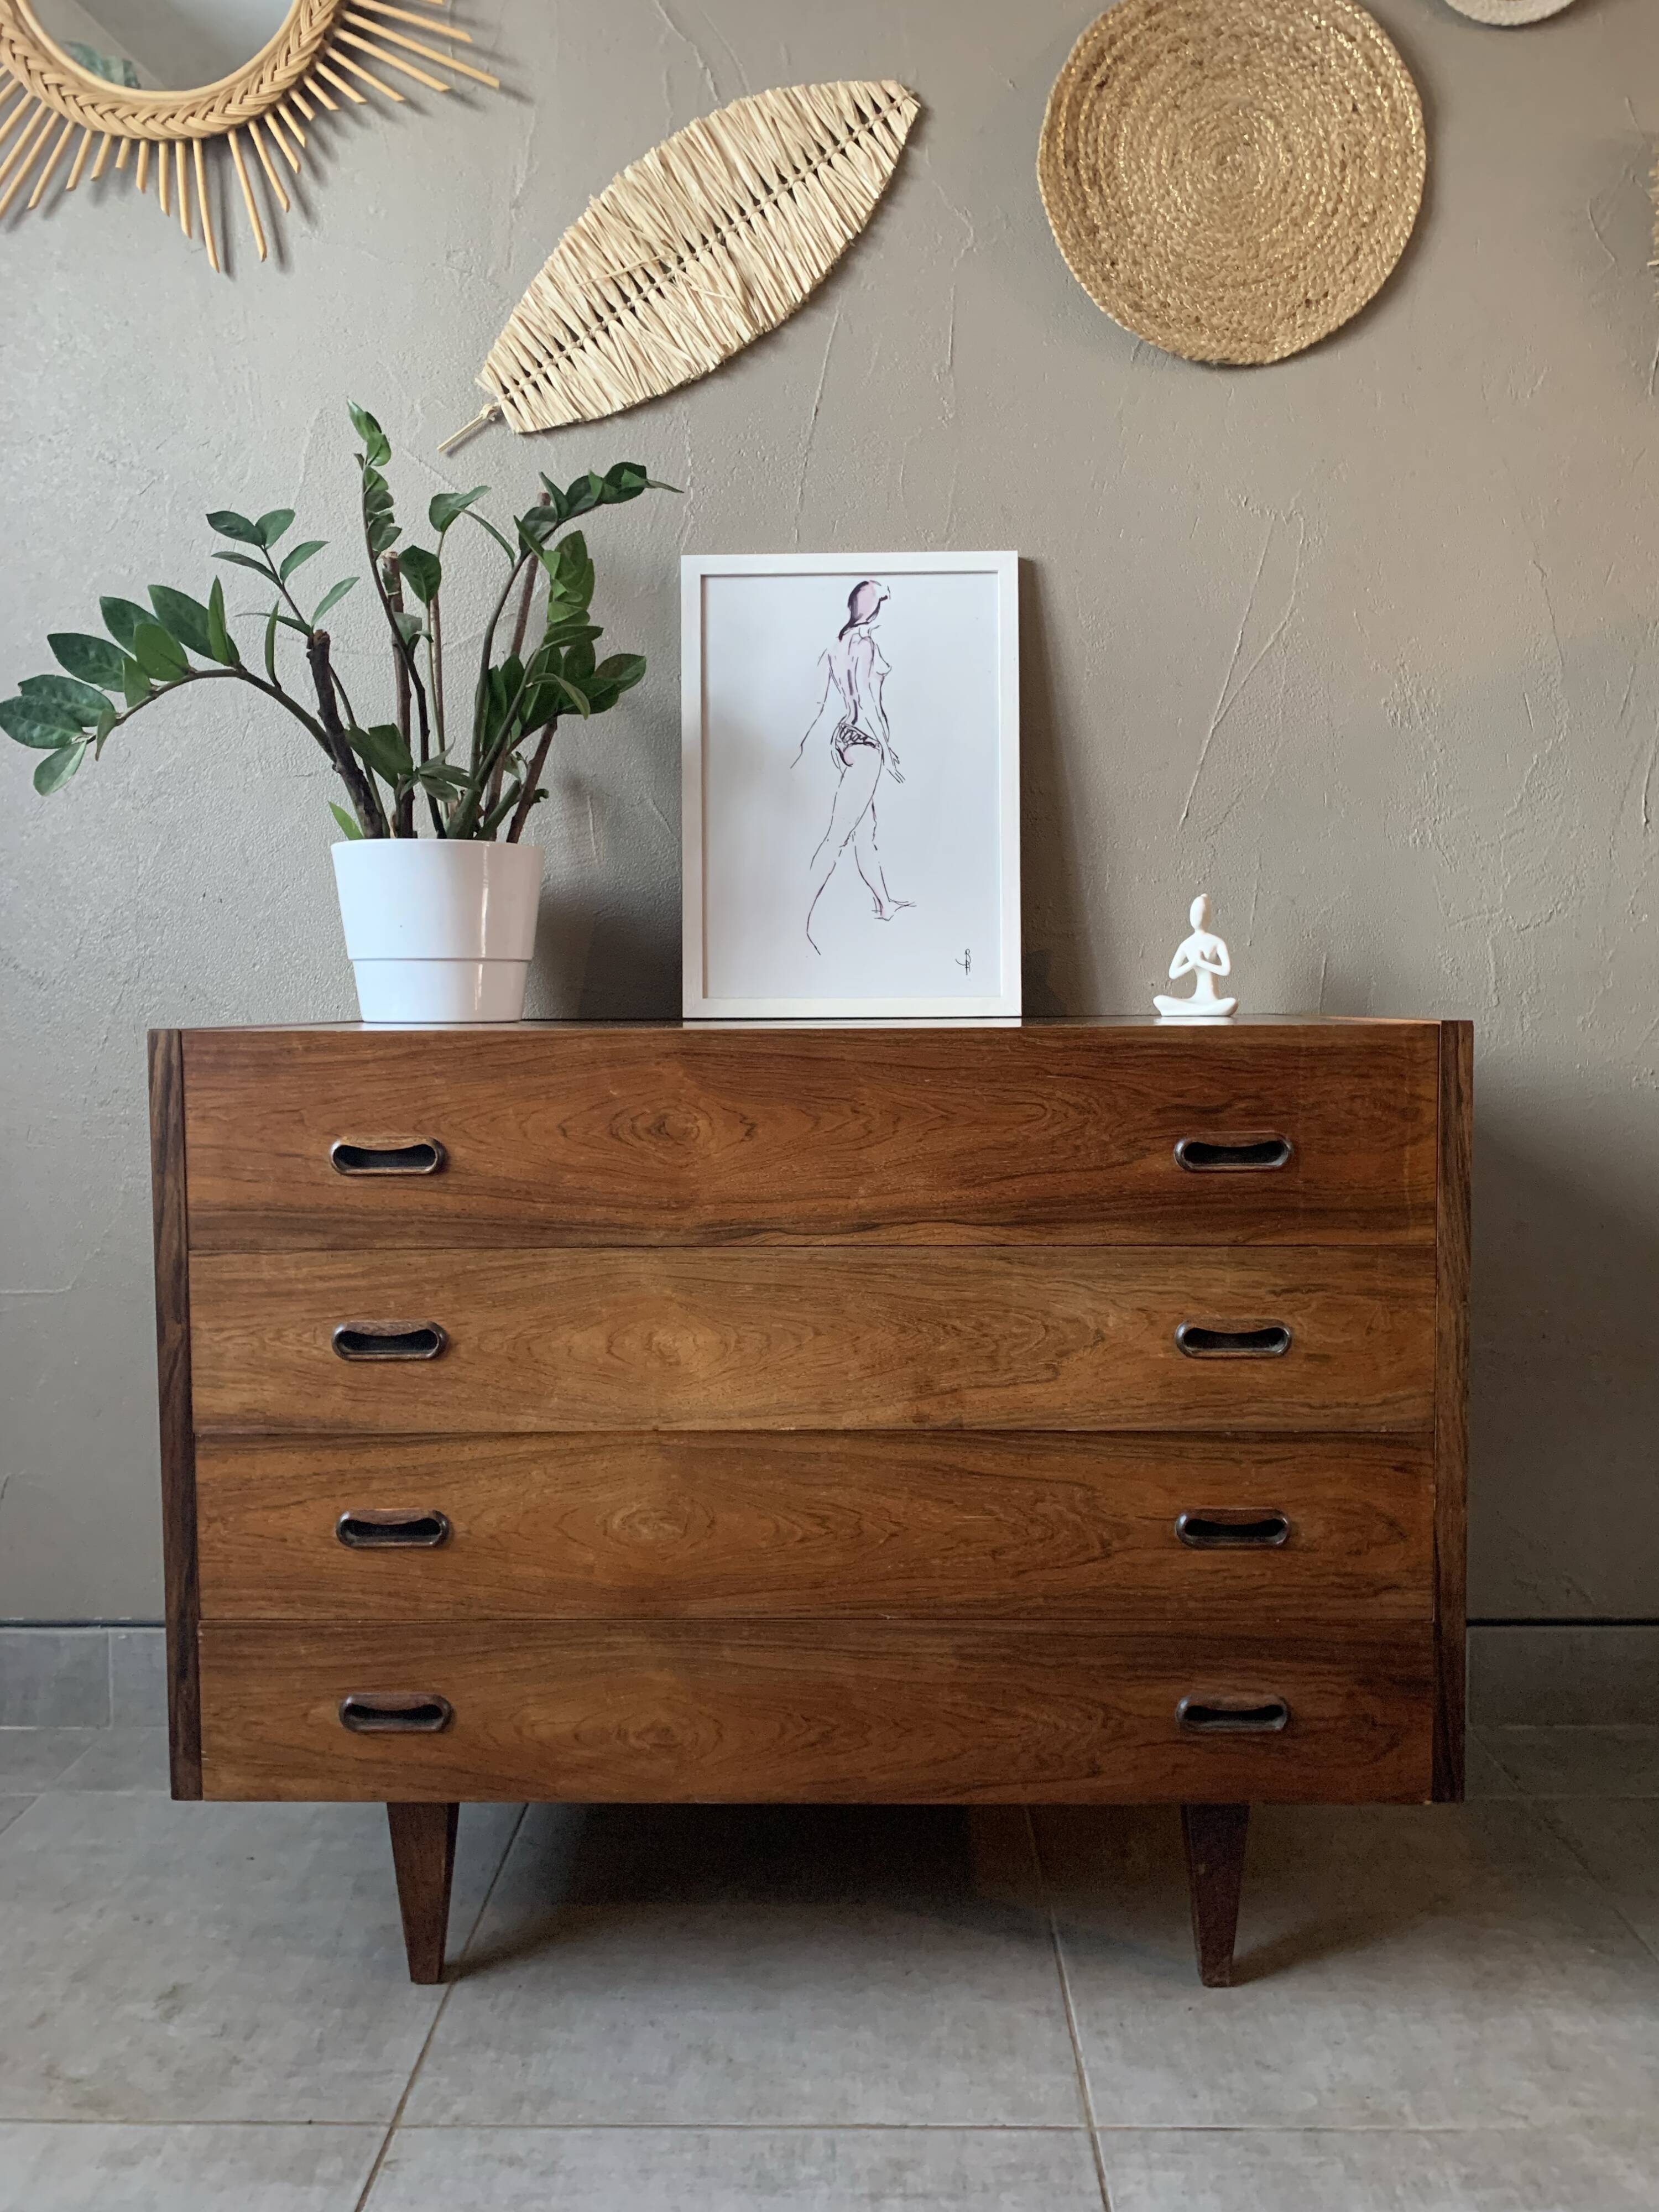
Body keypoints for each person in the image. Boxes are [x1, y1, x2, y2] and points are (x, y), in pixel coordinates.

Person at [792, 579, 912, 953]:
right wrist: (888, 750)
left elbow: (823, 700)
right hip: (866, 744)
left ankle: (885, 903)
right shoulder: (865, 645)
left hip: (845, 740)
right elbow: (867, 701)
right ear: (874, 610)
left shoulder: (837, 644)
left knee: (864, 832)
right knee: (838, 836)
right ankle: (795, 925)